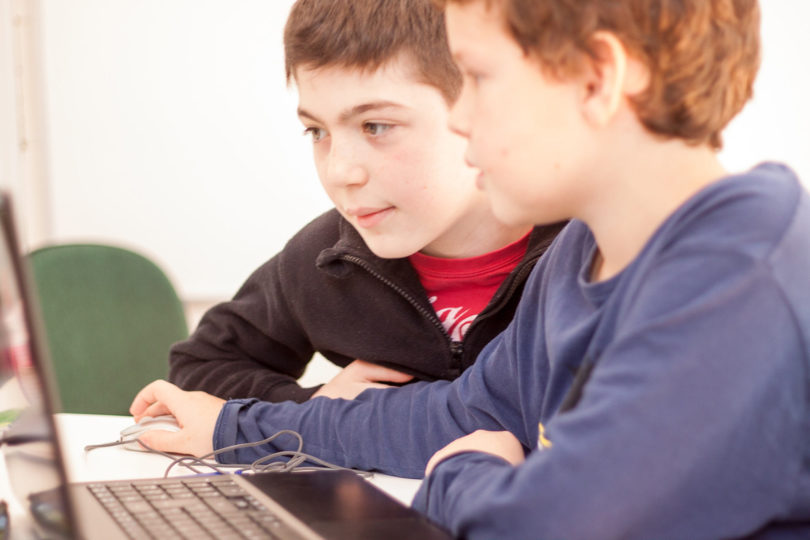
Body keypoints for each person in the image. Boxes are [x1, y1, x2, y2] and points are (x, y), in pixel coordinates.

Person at [131, 0, 810, 538]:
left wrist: (463, 471)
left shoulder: (741, 269)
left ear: (596, 79)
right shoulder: (581, 255)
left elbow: (540, 522)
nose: (458, 116)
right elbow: (458, 413)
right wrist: (231, 429)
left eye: (478, 78)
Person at [167, 0, 563, 404]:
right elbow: (200, 367)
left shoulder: (590, 248)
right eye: (317, 132)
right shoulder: (325, 258)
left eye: (376, 126)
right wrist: (315, 405)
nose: (339, 171)